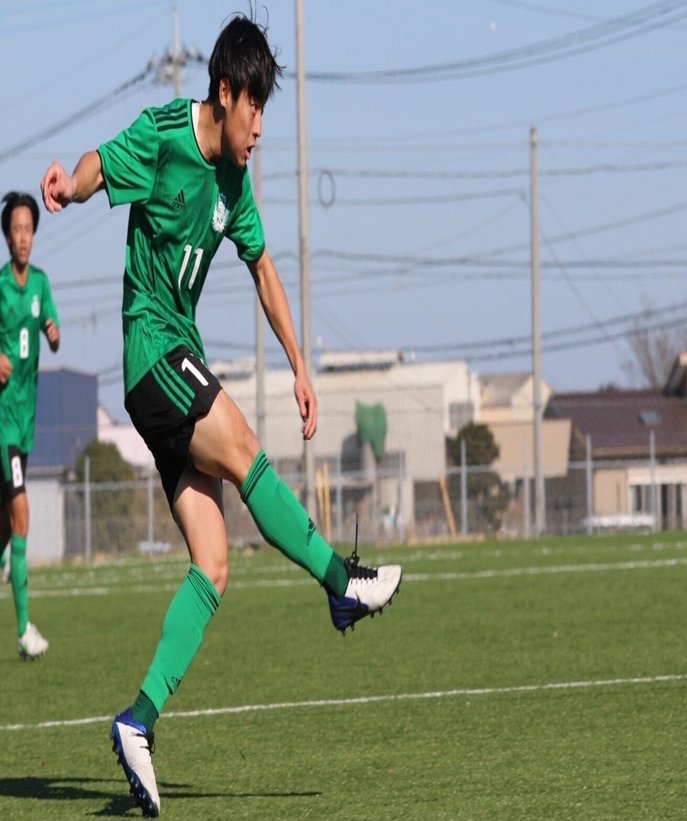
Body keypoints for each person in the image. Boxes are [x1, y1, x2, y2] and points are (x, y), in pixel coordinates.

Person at [42, 13, 402, 819]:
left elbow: (264, 267)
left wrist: (303, 365)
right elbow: (106, 161)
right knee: (242, 444)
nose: (261, 129)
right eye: (255, 111)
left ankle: (137, 720)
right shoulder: (168, 134)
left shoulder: (236, 185)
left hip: (173, 370)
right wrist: (70, 184)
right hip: (150, 356)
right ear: (224, 94)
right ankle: (341, 584)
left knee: (214, 564)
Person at [0, 192, 60, 660]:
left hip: (28, 419)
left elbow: (52, 330)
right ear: (7, 236)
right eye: (15, 229)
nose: (23, 237)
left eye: (28, 229)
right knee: (22, 516)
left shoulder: (40, 284)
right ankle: (24, 633)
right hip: (3, 424)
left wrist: (54, 333)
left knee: (5, 528)